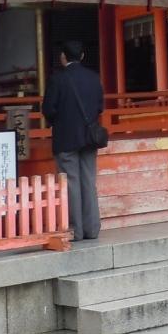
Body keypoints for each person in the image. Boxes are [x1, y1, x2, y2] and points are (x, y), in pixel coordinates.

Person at [42, 39, 104, 240]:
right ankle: (92, 229)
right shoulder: (94, 78)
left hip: (66, 137)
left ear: (63, 57)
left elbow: (48, 109)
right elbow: (100, 107)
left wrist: (58, 121)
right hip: (89, 137)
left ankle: (75, 230)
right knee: (88, 181)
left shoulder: (57, 79)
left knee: (71, 183)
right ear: (82, 56)